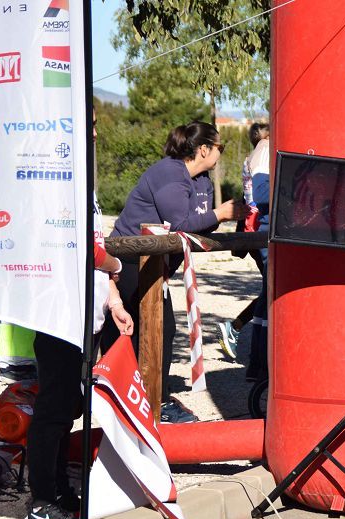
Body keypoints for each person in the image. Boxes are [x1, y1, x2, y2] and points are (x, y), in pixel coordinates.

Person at [24, 111, 135, 519]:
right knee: (53, 405)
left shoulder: (82, 173)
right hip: (57, 308)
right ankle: (41, 502)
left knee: (69, 401)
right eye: (83, 124)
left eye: (92, 125)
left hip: (84, 311)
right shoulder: (57, 176)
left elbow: (95, 250)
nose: (92, 131)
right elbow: (86, 249)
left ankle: (58, 489)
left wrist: (113, 297)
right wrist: (117, 265)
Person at [101, 122, 247, 424]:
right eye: (220, 147)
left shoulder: (201, 179)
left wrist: (216, 217)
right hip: (129, 259)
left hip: (154, 262)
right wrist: (220, 213)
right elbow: (181, 221)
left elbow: (202, 223)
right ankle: (151, 399)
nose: (221, 153)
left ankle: (139, 395)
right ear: (203, 149)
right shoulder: (169, 172)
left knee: (149, 329)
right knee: (148, 329)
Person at [216, 122, 270, 361]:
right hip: (260, 228)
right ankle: (236, 329)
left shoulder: (254, 155)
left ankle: (237, 328)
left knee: (270, 288)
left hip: (253, 227)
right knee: (272, 288)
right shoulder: (263, 151)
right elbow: (260, 194)